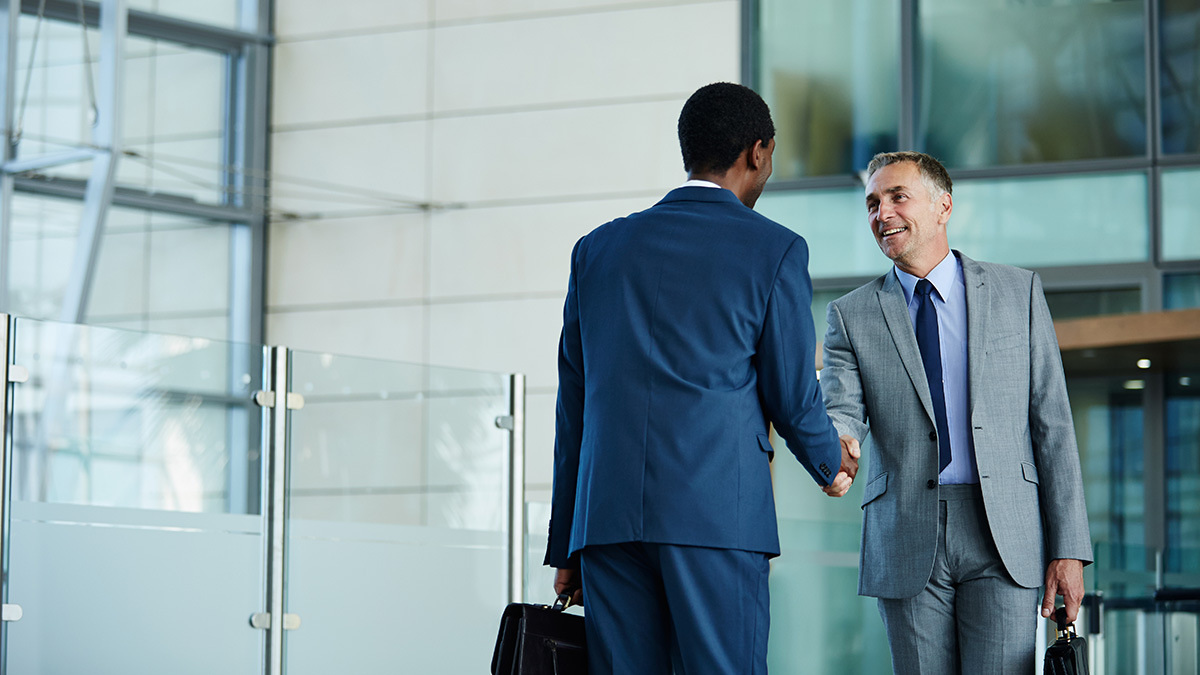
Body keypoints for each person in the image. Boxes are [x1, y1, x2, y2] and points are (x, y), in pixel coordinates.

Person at [544, 82, 858, 675]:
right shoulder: (775, 250)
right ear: (758, 152)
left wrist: (567, 542)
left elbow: (574, 406)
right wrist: (830, 462)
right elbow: (791, 392)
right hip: (715, 516)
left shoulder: (596, 250)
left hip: (607, 525)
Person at [819, 150, 1092, 673]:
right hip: (904, 525)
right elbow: (841, 410)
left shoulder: (1019, 292)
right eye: (873, 203)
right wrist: (837, 449)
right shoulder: (849, 316)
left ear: (944, 206)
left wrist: (1070, 548)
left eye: (898, 196)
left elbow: (1052, 424)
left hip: (1005, 528)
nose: (883, 213)